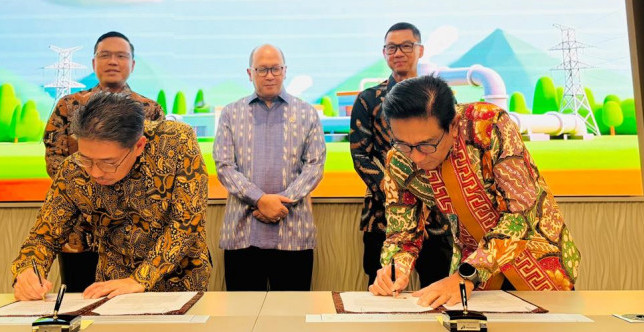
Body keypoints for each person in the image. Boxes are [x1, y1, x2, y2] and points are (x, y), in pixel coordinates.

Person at [370, 76, 581, 307]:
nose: (416, 157)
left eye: (426, 145)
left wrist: (467, 274)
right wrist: (395, 269)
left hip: (537, 260)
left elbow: (522, 214)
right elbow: (402, 234)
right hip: (472, 273)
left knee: (550, 320)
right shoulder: (399, 160)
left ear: (452, 125)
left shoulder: (487, 125)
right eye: (403, 144)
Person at [12, 92, 210, 300]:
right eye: (86, 159)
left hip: (180, 284)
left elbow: (187, 222)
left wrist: (140, 279)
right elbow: (44, 236)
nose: (95, 172)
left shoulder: (176, 142)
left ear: (139, 146)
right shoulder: (72, 170)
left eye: (108, 163)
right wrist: (28, 271)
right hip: (114, 289)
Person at [43, 31, 164, 291]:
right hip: (79, 231)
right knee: (80, 299)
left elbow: (156, 168)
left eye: (121, 56)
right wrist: (95, 190)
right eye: (105, 55)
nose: (113, 61)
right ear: (93, 62)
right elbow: (55, 162)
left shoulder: (149, 110)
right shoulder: (69, 106)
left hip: (133, 230)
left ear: (132, 64)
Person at [214, 44, 326, 291]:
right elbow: (224, 166)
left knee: (293, 312)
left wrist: (280, 203)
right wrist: (260, 199)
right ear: (250, 73)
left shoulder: (307, 113)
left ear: (285, 71)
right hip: (242, 232)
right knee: (242, 311)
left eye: (275, 69)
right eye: (262, 69)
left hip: (293, 234)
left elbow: (315, 166)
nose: (270, 75)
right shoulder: (231, 114)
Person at [350, 23, 452, 287]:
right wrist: (394, 190)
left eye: (406, 46)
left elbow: (450, 149)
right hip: (382, 215)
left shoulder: (437, 99)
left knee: (439, 288)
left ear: (420, 50)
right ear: (384, 53)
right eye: (392, 47)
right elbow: (360, 155)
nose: (398, 53)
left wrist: (426, 193)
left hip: (437, 214)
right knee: (384, 287)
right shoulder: (368, 99)